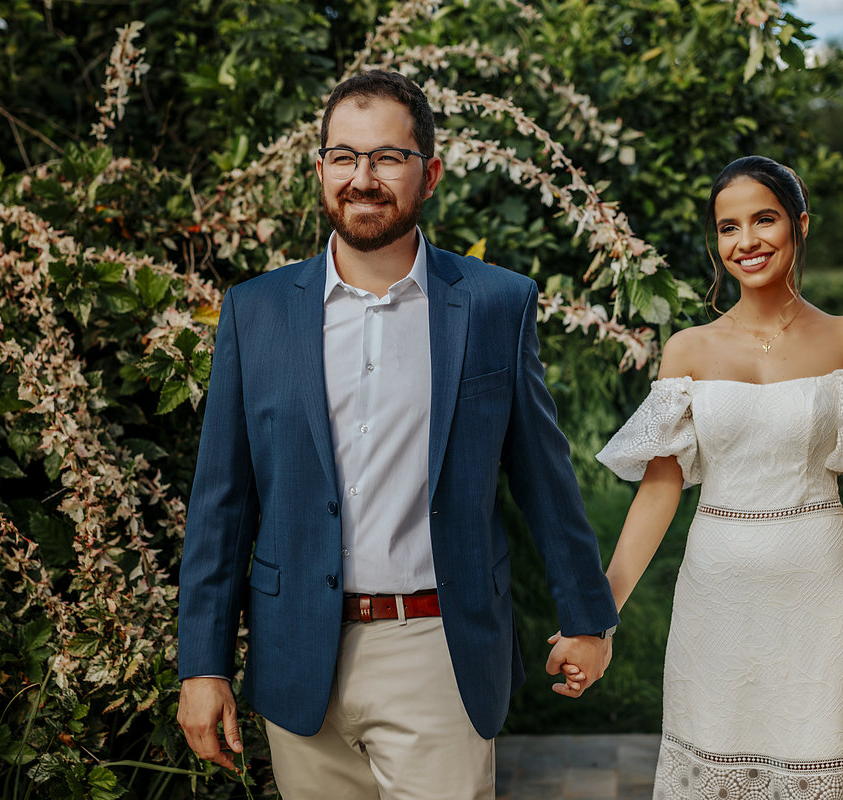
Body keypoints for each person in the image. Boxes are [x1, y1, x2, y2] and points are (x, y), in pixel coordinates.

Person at [174, 70, 619, 799]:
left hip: (436, 648)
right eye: (343, 157)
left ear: (430, 174)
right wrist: (203, 664)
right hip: (297, 655)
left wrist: (587, 618)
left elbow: (545, 477)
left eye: (386, 157)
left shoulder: (494, 305)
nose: (362, 178)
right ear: (320, 170)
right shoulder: (255, 313)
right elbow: (221, 503)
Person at [592, 155, 843, 799]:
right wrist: (600, 609)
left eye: (764, 220)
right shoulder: (688, 350)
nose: (746, 241)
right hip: (716, 600)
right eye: (728, 228)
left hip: (825, 594)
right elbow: (661, 490)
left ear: (800, 226)